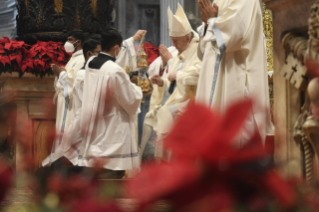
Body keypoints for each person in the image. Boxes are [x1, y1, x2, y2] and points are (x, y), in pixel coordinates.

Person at [196, 0, 273, 145]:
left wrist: (212, 21)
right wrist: (209, 25)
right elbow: (203, 50)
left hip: (236, 75)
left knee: (237, 139)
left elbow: (234, 32)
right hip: (215, 75)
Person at [140, 3, 201, 161]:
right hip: (175, 98)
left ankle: (172, 163)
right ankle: (156, 164)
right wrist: (162, 83)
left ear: (187, 38)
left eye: (176, 41)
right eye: (172, 40)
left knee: (165, 115)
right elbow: (171, 80)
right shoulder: (179, 50)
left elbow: (200, 73)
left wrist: (179, 75)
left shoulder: (199, 50)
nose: (173, 45)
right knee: (150, 118)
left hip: (192, 100)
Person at [79, 28, 143, 178]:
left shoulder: (91, 63)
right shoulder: (115, 71)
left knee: (97, 168)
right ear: (116, 48)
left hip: (94, 121)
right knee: (114, 170)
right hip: (112, 125)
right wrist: (138, 89)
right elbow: (130, 100)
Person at [42, 30, 86, 167]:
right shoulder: (74, 58)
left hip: (70, 103)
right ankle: (58, 161)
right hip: (64, 101)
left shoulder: (82, 59)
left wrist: (60, 74)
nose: (67, 42)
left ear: (78, 42)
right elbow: (67, 77)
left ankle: (62, 163)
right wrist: (59, 73)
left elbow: (74, 81)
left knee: (66, 130)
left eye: (70, 39)